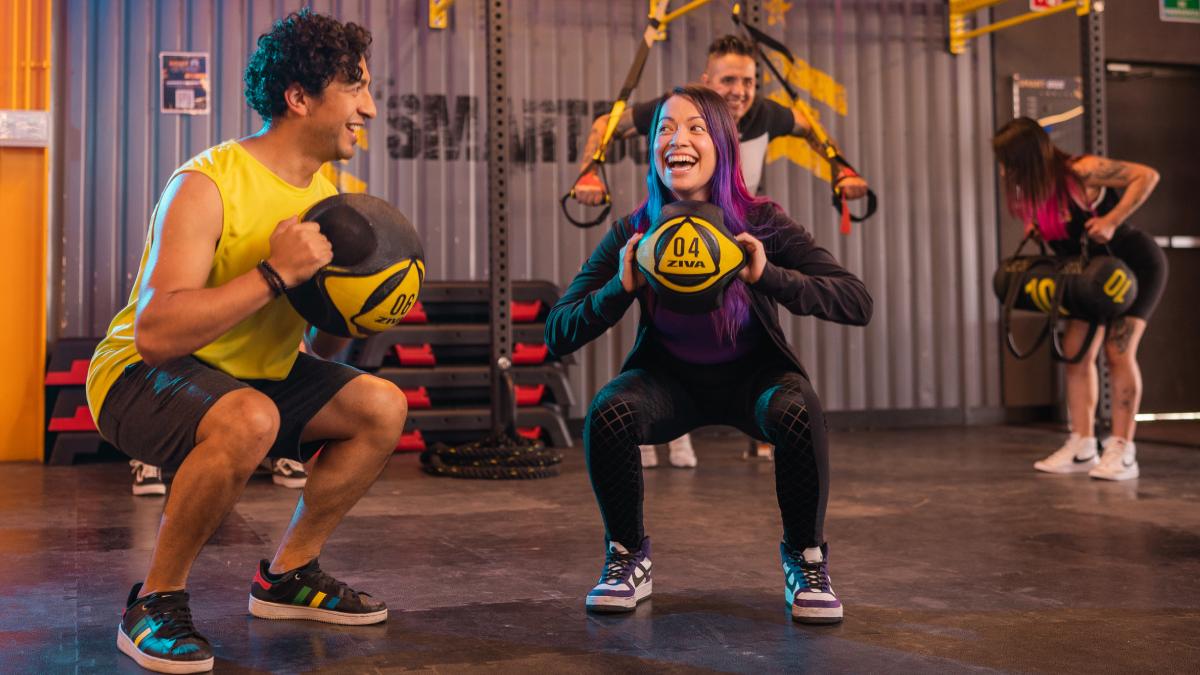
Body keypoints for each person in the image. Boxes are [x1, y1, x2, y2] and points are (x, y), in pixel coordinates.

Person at [85, 10, 407, 672]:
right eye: (355, 89)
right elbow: (155, 332)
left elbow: (314, 338)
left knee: (381, 406)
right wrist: (272, 274)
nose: (369, 109)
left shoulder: (328, 196)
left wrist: (357, 312)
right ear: (300, 97)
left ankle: (289, 576)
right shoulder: (206, 183)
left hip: (253, 376)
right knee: (249, 416)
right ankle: (154, 601)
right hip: (136, 377)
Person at [546, 86, 872, 623]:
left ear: (722, 144)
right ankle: (627, 555)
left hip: (754, 382)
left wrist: (769, 276)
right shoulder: (635, 229)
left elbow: (856, 301)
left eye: (696, 127)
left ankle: (806, 558)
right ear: (653, 148)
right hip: (670, 385)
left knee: (798, 409)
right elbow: (558, 332)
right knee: (609, 412)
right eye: (665, 129)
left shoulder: (761, 221)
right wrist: (618, 289)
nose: (678, 139)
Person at [573, 34, 870, 469]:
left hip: (737, 227)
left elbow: (810, 125)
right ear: (706, 80)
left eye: (748, 81)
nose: (740, 91)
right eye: (729, 80)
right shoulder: (675, 111)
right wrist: (588, 171)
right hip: (674, 231)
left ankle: (754, 426)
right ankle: (664, 423)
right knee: (657, 358)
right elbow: (607, 125)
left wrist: (840, 168)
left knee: (761, 364)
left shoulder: (765, 132)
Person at [993, 117, 1166, 481]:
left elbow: (1147, 176)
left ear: (1026, 157)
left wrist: (1112, 219)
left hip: (1133, 268)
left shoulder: (1082, 171)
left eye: (1009, 161)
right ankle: (1083, 445)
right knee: (1076, 352)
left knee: (1117, 352)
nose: (1005, 170)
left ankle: (1123, 450)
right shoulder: (1036, 192)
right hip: (1089, 277)